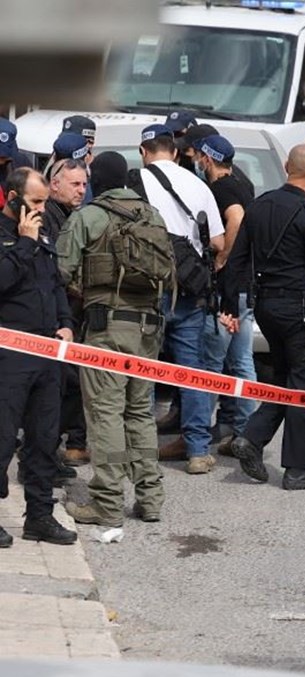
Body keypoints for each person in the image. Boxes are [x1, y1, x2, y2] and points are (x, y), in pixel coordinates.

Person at [59, 152, 173, 528]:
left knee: (105, 414)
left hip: (106, 329)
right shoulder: (152, 215)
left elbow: (60, 271)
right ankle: (150, 498)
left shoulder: (88, 216)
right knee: (140, 412)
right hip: (148, 329)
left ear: (97, 181)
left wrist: (83, 290)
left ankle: (107, 503)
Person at [225, 144, 305, 490]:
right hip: (297, 310)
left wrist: (229, 306)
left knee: (285, 379)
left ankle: (252, 438)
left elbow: (237, 261)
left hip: (264, 307)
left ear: (287, 166)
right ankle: (299, 468)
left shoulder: (259, 206)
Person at [134, 124, 226, 474]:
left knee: (144, 370)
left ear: (143, 152)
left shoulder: (135, 183)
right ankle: (198, 451)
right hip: (188, 292)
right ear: (174, 152)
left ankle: (143, 451)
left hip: (147, 291)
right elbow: (218, 242)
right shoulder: (198, 185)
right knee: (192, 372)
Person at [0, 168, 78, 548]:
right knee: (2, 439)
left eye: (45, 202)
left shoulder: (43, 234)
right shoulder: (10, 236)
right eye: (35, 202)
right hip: (10, 357)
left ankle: (40, 516)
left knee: (44, 439)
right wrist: (24, 244)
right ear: (14, 199)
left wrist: (66, 323)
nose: (42, 209)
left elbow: (55, 284)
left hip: (47, 353)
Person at [192, 135, 258, 455]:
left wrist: (223, 257)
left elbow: (237, 218)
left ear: (208, 159)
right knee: (242, 362)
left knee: (211, 364)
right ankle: (246, 434)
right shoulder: (243, 184)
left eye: (200, 157)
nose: (197, 162)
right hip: (244, 289)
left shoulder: (222, 188)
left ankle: (198, 436)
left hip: (227, 292)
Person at [44, 157, 91, 470]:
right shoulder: (47, 218)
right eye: (75, 184)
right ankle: (43, 453)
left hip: (69, 314)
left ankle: (56, 449)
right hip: (53, 316)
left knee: (68, 384)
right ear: (54, 184)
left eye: (84, 184)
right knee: (63, 385)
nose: (81, 190)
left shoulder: (72, 216)